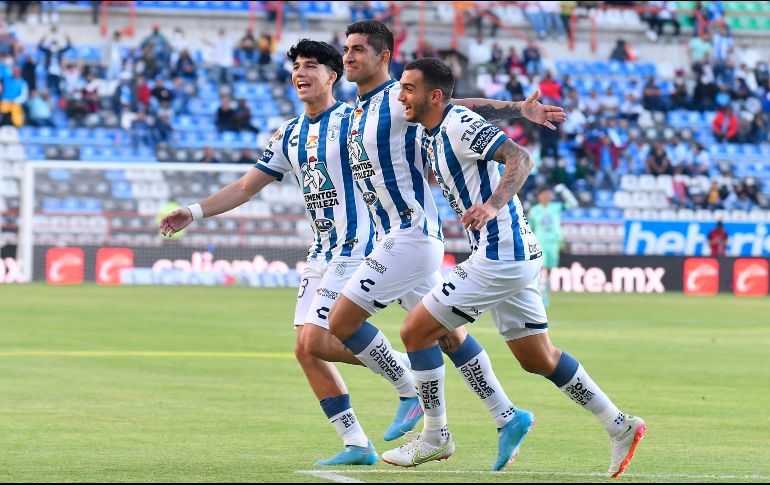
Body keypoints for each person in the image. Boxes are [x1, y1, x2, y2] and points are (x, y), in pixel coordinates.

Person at [160, 39, 421, 467]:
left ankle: (409, 383)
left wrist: (509, 108)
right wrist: (194, 211)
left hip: (360, 244)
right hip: (321, 250)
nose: (300, 73)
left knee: (317, 337)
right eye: (296, 66)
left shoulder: (357, 117)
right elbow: (246, 187)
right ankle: (356, 443)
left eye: (312, 65)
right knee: (305, 349)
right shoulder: (290, 133)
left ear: (333, 75)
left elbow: (431, 107)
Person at [383, 57, 646, 478]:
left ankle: (435, 436)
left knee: (415, 330)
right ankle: (620, 424)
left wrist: (490, 205)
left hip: (499, 254)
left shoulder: (455, 126)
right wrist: (516, 107)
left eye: (408, 89)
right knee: (537, 357)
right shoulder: (439, 122)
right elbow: (469, 103)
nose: (401, 96)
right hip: (513, 255)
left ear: (432, 96)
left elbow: (519, 158)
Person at [327, 19, 566, 469]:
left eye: (358, 49)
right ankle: (506, 414)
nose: (349, 57)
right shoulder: (355, 110)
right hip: (393, 236)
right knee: (446, 336)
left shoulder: (400, 98)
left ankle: (414, 399)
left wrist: (518, 108)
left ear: (383, 58)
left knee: (346, 323)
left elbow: (458, 105)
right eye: (346, 49)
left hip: (411, 235)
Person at [528, 185, 578, 307]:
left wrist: (564, 191)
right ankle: (537, 296)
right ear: (539, 196)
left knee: (549, 270)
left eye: (548, 193)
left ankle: (545, 297)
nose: (546, 196)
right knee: (540, 270)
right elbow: (529, 227)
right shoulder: (534, 210)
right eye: (544, 193)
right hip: (540, 243)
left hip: (554, 243)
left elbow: (573, 204)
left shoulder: (556, 207)